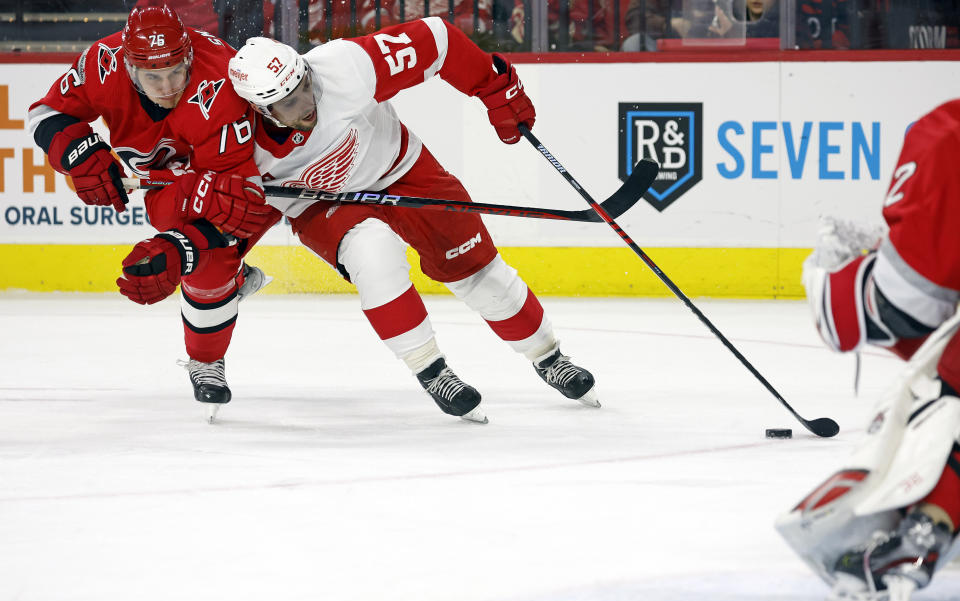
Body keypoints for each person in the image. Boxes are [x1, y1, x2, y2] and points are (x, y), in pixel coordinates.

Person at [225, 18, 600, 423]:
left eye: (305, 88)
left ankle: (549, 356)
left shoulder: (344, 67)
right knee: (374, 258)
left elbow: (437, 39)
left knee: (474, 267)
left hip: (400, 166)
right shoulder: (234, 140)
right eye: (289, 104)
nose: (307, 104)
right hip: (323, 205)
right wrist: (226, 259)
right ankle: (432, 369)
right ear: (260, 109)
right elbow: (233, 208)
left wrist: (490, 87)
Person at [28, 4, 280, 422]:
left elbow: (233, 201)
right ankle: (230, 277)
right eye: (152, 77)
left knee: (209, 257)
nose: (167, 87)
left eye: (176, 72)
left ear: (189, 58)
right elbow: (46, 113)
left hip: (237, 176)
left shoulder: (221, 78)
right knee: (184, 237)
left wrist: (199, 246)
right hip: (167, 186)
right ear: (128, 68)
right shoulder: (103, 63)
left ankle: (205, 359)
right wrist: (79, 154)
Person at [776, 99, 960, 601]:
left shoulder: (948, 132)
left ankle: (925, 534)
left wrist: (839, 286)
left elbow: (900, 312)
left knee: (948, 382)